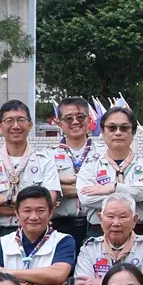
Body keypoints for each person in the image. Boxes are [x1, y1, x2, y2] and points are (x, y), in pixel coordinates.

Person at [0, 99, 60, 240]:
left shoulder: (45, 161)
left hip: (37, 234)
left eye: (21, 120)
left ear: (30, 125)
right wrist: (32, 207)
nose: (15, 126)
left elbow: (49, 200)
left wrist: (5, 200)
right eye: (9, 120)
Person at [77, 106, 143, 230]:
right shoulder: (90, 165)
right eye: (112, 128)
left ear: (133, 132)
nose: (118, 132)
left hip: (140, 231)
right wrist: (138, 191)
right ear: (103, 132)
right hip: (100, 232)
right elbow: (86, 198)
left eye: (124, 128)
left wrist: (113, 188)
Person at [49, 97, 101, 247]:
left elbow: (111, 187)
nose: (75, 122)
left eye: (80, 117)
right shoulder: (47, 156)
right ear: (59, 123)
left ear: (89, 119)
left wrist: (62, 186)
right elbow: (46, 191)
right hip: (61, 225)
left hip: (98, 224)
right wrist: (91, 188)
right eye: (68, 118)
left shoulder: (105, 153)